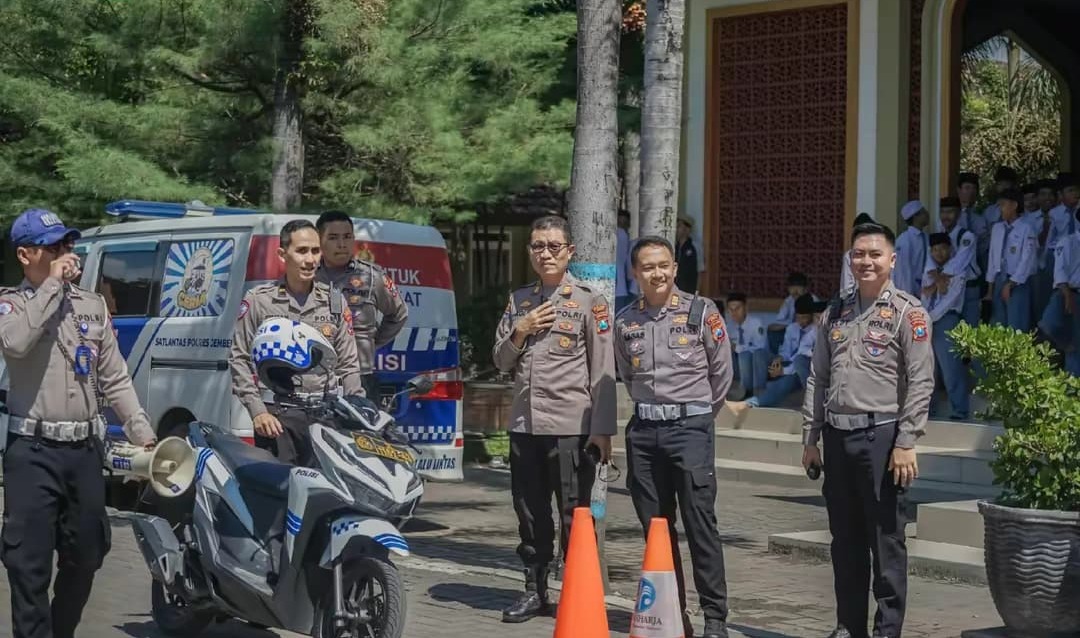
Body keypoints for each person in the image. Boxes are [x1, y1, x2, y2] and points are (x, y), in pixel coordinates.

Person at [0, 208, 157, 638]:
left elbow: (114, 377)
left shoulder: (90, 306)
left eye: (67, 245)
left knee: (87, 554)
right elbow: (14, 343)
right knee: (27, 563)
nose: (66, 253)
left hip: (84, 451)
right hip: (32, 452)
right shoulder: (11, 304)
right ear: (25, 255)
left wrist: (142, 431)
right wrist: (51, 285)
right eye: (53, 247)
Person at [802, 220, 935, 638]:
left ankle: (887, 631)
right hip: (837, 439)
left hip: (883, 439)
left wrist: (907, 440)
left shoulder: (908, 313)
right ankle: (848, 627)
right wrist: (811, 436)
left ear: (892, 261)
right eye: (859, 254)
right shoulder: (834, 312)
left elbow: (921, 380)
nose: (866, 261)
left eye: (875, 254)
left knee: (886, 542)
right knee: (845, 541)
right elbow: (816, 377)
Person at [491, 215, 615, 623]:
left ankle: (580, 592)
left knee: (573, 514)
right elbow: (500, 360)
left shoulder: (588, 301)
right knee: (529, 513)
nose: (546, 253)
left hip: (570, 428)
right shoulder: (519, 301)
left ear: (569, 252)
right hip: (525, 426)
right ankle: (534, 590)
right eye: (538, 246)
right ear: (529, 252)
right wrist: (521, 330)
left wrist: (602, 431)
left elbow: (603, 372)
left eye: (554, 246)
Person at [614, 236, 734, 638]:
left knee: (701, 525)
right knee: (656, 530)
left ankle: (714, 618)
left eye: (663, 264)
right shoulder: (625, 320)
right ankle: (672, 614)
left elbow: (722, 374)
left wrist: (696, 417)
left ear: (675, 268)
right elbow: (627, 375)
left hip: (691, 431)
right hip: (645, 433)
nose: (657, 273)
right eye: (648, 267)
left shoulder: (701, 312)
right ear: (634, 273)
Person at [230, 219, 364, 467]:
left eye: (315, 251)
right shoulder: (260, 301)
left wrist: (358, 411)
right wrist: (257, 410)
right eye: (302, 251)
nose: (310, 259)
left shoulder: (334, 303)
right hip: (278, 418)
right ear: (283, 254)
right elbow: (239, 358)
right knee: (280, 495)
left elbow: (349, 365)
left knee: (326, 495)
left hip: (325, 417)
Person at [315, 210, 409, 403]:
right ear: (319, 240)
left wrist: (372, 342)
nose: (342, 244)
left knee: (361, 433)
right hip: (315, 377)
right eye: (333, 238)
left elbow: (398, 314)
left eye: (347, 237)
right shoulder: (307, 275)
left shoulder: (372, 277)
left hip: (360, 376)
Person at [727, 293, 824, 414]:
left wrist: (784, 371)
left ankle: (749, 403)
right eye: (798, 317)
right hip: (790, 365)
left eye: (805, 317)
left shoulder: (815, 331)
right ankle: (752, 396)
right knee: (758, 355)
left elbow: (802, 359)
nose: (801, 321)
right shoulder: (793, 329)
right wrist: (779, 358)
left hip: (806, 373)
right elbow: (787, 350)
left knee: (785, 381)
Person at [923, 232, 970, 419]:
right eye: (935, 250)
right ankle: (929, 409)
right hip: (927, 319)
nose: (939, 253)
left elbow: (950, 300)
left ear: (950, 249)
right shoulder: (930, 272)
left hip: (946, 319)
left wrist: (929, 317)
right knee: (928, 368)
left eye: (942, 248)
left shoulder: (958, 271)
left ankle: (960, 409)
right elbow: (924, 295)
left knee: (951, 368)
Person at [985, 188, 1038, 332]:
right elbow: (992, 258)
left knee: (1016, 326)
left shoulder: (1026, 228)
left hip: (1017, 282)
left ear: (1014, 205)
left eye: (1003, 205)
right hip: (999, 280)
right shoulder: (997, 228)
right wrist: (990, 289)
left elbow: (1027, 260)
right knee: (998, 325)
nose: (1000, 209)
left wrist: (1012, 283)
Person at [925, 197, 980, 327]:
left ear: (959, 214)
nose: (946, 216)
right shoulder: (939, 235)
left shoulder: (967, 236)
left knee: (969, 332)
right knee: (948, 328)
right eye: (943, 212)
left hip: (968, 288)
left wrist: (937, 280)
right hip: (947, 287)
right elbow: (931, 261)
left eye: (950, 212)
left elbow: (958, 263)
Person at [724, 292, 770, 399]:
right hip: (740, 367)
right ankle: (743, 390)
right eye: (730, 309)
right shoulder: (728, 327)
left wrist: (738, 347)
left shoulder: (756, 323)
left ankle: (756, 390)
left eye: (737, 308)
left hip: (758, 364)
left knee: (747, 354)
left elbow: (760, 347)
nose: (734, 312)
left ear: (745, 307)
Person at [893, 201, 930, 297]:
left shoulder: (926, 237)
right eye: (923, 212)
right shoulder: (904, 240)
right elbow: (903, 270)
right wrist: (908, 295)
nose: (927, 214)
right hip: (911, 291)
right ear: (915, 216)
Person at [675, 215, 700, 294]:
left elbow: (700, 271)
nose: (676, 230)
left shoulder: (695, 247)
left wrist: (697, 292)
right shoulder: (676, 246)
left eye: (679, 226)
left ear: (686, 229)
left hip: (689, 290)